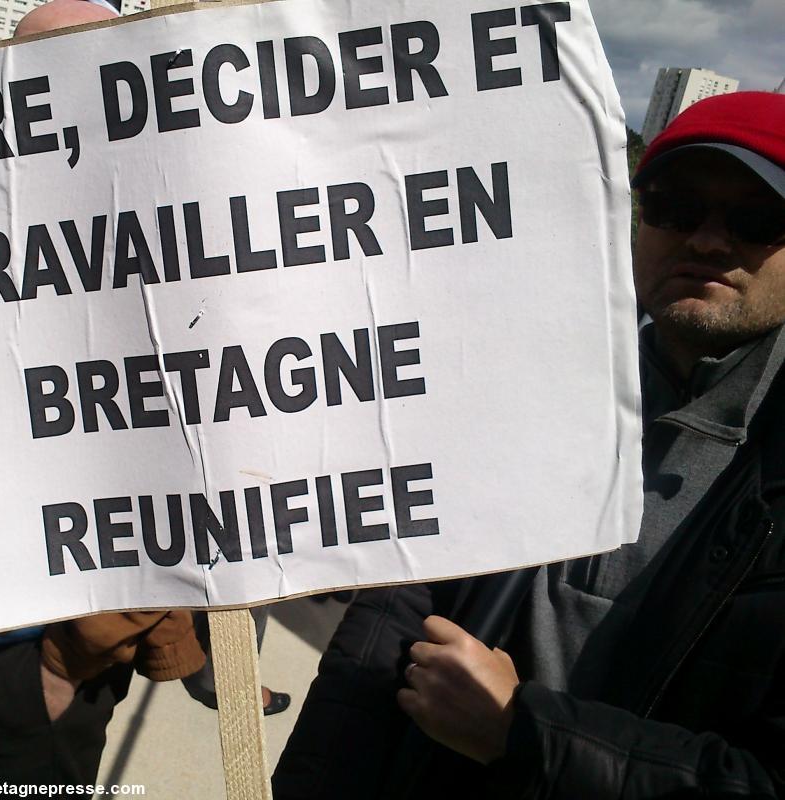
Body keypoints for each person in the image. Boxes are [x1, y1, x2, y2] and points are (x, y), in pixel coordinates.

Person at [273, 91, 785, 798]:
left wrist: (523, 733)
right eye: (674, 207)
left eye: (757, 220)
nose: (704, 240)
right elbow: (385, 634)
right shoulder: (529, 383)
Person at [0, 4, 204, 788]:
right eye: (27, 65)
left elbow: (201, 470)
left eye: (77, 63)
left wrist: (71, 655)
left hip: (36, 659)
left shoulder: (180, 240)